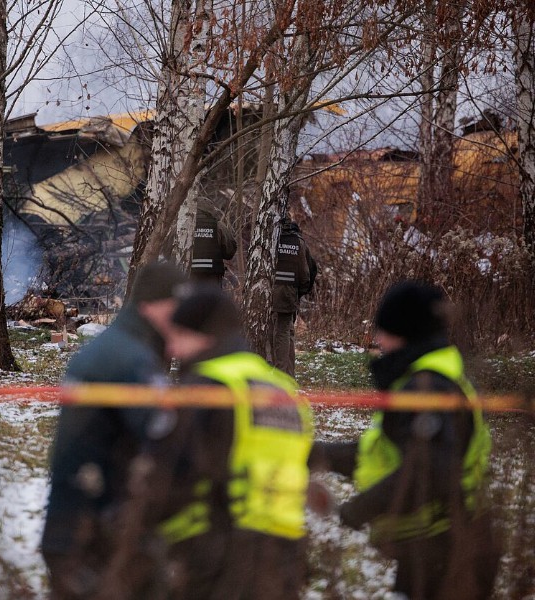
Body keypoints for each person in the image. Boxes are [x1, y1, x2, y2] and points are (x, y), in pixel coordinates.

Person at [309, 281, 499, 599]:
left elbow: (428, 472)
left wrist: (356, 510)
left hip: (450, 552)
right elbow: (388, 454)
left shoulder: (428, 388)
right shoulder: (428, 378)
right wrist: (318, 455)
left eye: (383, 330)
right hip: (435, 548)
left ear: (405, 332)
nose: (377, 340)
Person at [153, 284, 314, 600]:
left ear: (203, 336)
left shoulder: (209, 387)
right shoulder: (283, 389)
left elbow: (174, 470)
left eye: (178, 337)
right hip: (285, 554)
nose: (172, 350)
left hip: (221, 552)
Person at [41, 261, 187, 599]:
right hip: (91, 531)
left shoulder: (117, 347)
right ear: (154, 305)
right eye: (177, 309)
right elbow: (165, 437)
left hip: (74, 523)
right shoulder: (130, 360)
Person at [268, 216, 316, 377]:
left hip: (270, 290)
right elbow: (305, 274)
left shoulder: (271, 238)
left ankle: (283, 374)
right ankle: (286, 374)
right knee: (285, 331)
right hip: (289, 293)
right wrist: (299, 293)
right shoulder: (299, 242)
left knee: (281, 331)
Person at [190, 205, 237, 287]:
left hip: (188, 275)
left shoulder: (183, 225)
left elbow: (168, 251)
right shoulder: (218, 226)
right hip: (212, 277)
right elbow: (229, 252)